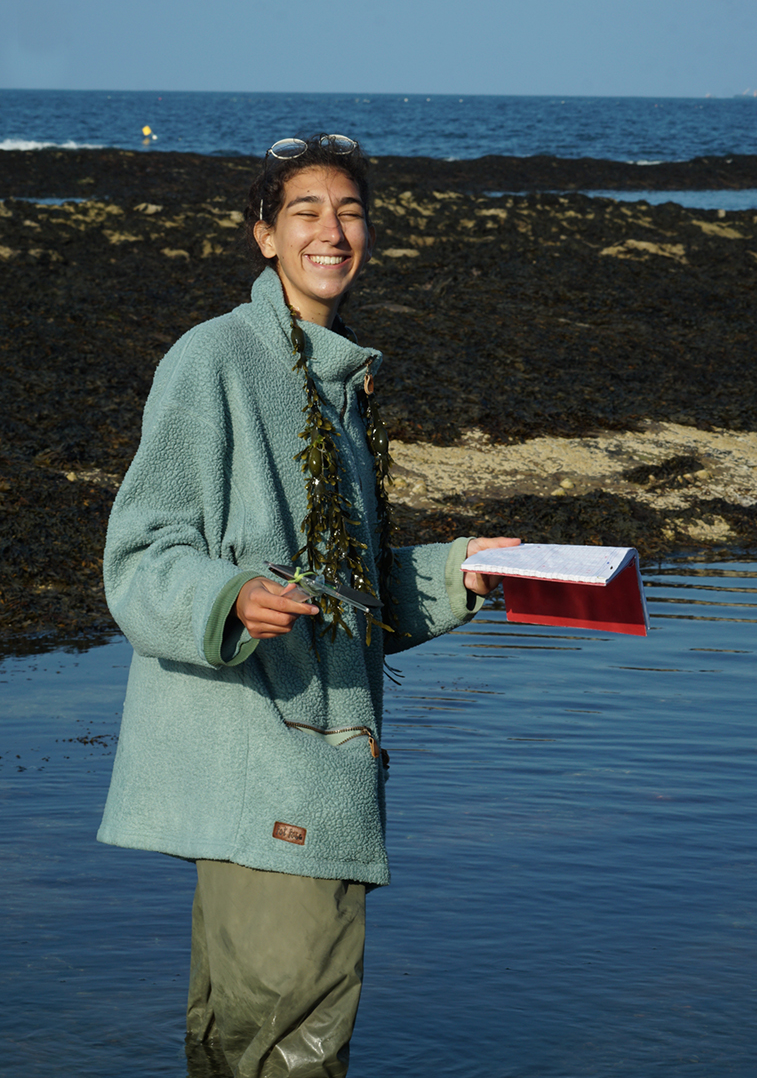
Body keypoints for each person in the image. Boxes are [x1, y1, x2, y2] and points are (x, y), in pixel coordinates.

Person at [97, 133, 519, 1078]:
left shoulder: (335, 382)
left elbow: (346, 593)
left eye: (350, 211)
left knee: (246, 1032)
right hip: (262, 760)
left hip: (315, 763)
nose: (333, 231)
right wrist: (230, 596)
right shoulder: (215, 361)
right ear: (264, 236)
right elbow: (138, 556)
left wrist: (462, 573)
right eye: (306, 212)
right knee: (293, 1035)